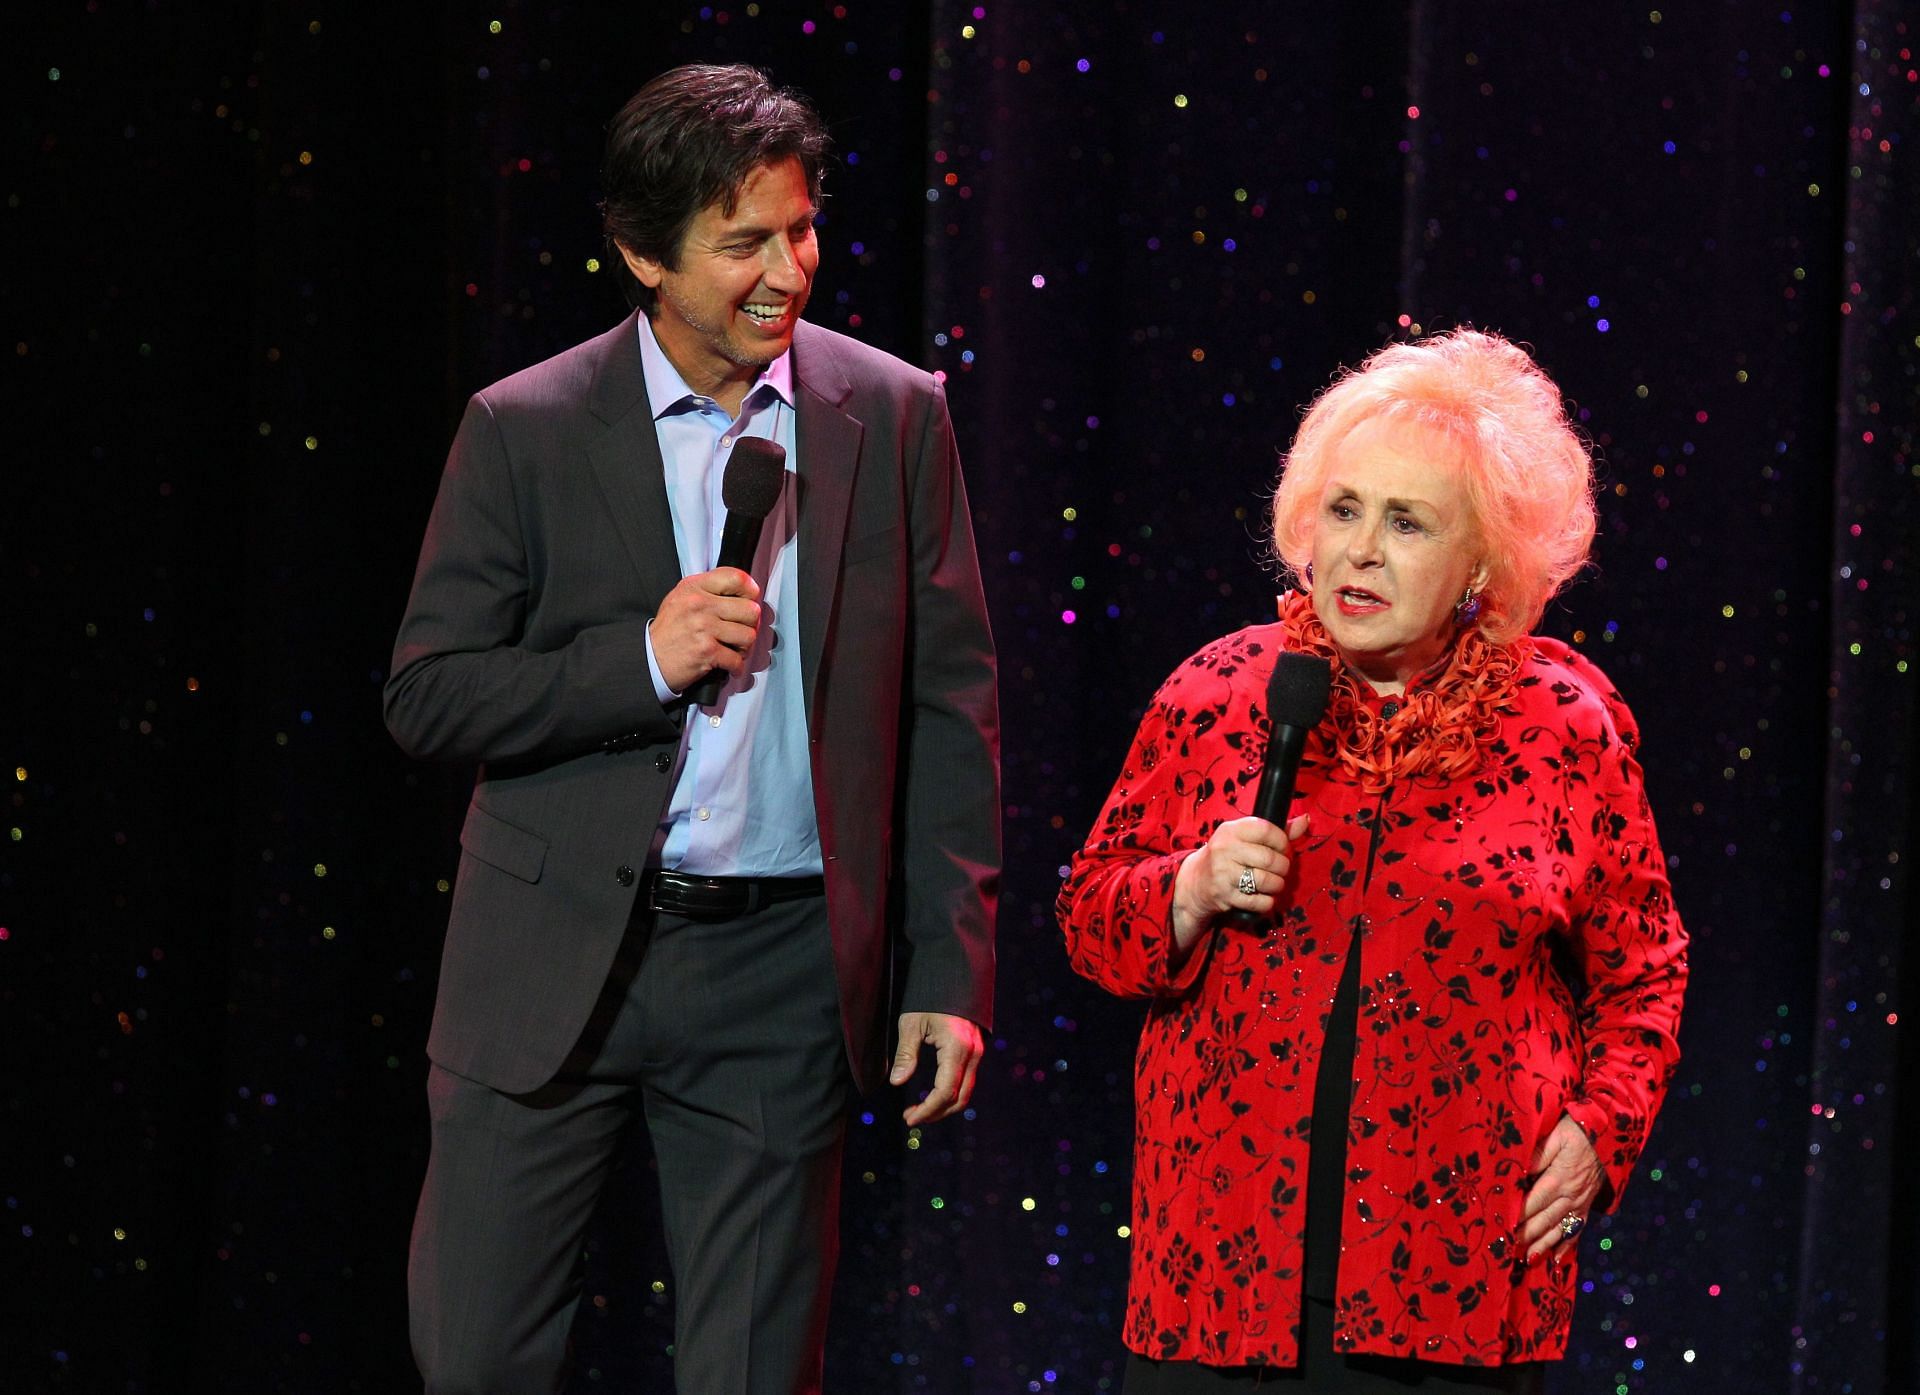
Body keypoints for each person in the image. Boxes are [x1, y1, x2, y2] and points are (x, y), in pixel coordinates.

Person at [384, 64, 999, 1394]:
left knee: (756, 1372)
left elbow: (951, 704)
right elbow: (427, 691)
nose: (790, 267)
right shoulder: (526, 427)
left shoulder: (890, 416)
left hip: (778, 967)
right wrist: (638, 662)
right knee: (479, 1357)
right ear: (643, 254)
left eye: (800, 228)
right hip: (550, 962)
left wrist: (948, 968)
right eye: (745, 244)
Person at [1058, 329, 1687, 1391]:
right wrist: (1191, 887)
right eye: (1344, 510)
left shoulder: (1563, 725)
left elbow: (1645, 974)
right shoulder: (1219, 693)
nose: (1360, 550)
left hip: (1456, 1283)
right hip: (1221, 1278)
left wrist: (1598, 1135)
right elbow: (1089, 923)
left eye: (1407, 523)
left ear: (1482, 561)